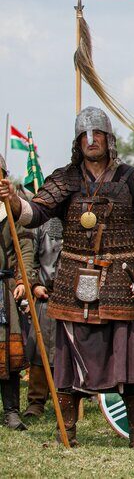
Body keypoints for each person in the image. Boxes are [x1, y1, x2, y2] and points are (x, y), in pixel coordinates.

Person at [0, 107, 134, 449]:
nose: (91, 140)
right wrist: (14, 200)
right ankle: (67, 432)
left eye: (97, 134)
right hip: (74, 280)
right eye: (85, 135)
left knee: (131, 362)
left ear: (108, 138)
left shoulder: (131, 178)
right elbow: (35, 214)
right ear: (77, 141)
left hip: (122, 279)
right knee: (69, 361)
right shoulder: (65, 178)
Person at [0, 157, 31, 430]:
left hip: (5, 288)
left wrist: (25, 278)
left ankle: (11, 412)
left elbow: (25, 245)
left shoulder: (12, 206)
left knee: (9, 356)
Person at [20, 215, 59, 419]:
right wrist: (34, 285)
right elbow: (29, 258)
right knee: (39, 347)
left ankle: (69, 398)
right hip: (46, 295)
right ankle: (36, 401)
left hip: (76, 298)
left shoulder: (84, 217)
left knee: (72, 349)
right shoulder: (41, 224)